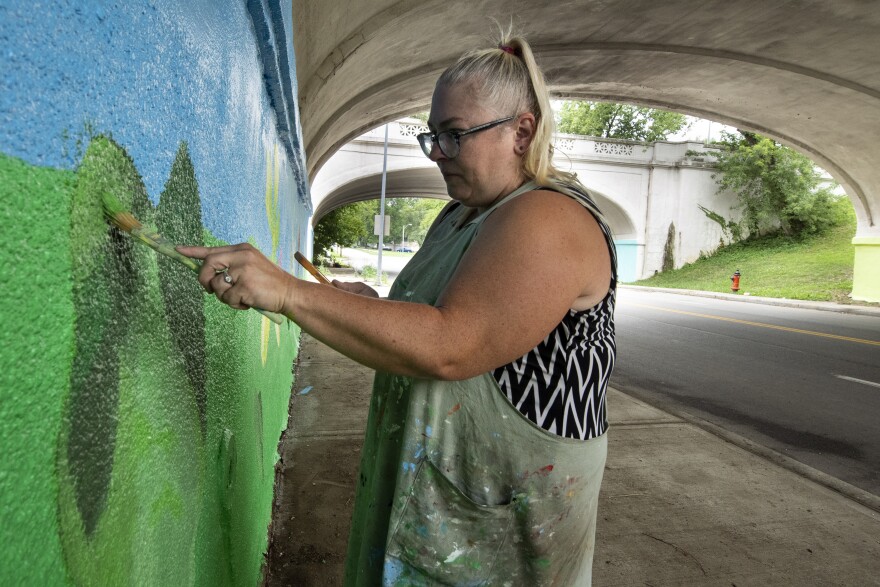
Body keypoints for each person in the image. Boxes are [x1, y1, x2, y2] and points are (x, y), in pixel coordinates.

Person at [179, 27, 617, 587]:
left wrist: (291, 293)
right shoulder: (462, 214)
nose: (437, 154)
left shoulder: (549, 219)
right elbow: (441, 320)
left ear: (520, 131)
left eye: (455, 135)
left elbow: (451, 345)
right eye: (431, 136)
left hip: (503, 529)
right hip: (442, 498)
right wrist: (370, 307)